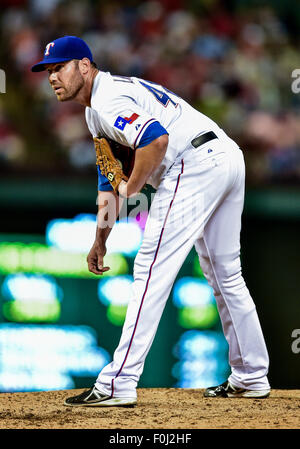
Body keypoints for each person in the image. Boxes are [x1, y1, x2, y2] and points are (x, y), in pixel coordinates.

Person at [31, 36, 271, 406]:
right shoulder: (96, 109)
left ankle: (118, 382)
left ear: (84, 65)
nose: (52, 77)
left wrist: (134, 187)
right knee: (226, 275)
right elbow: (107, 184)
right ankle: (251, 375)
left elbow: (155, 141)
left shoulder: (107, 99)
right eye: (48, 71)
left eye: (59, 67)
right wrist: (101, 240)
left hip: (193, 164)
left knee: (150, 266)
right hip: (224, 156)